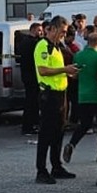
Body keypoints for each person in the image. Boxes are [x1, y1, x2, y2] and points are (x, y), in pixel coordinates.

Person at [34, 16, 78, 184]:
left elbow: (56, 70)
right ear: (52, 29)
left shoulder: (58, 47)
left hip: (61, 94)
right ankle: (41, 170)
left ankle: (56, 166)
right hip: (49, 95)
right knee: (46, 133)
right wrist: (64, 69)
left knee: (59, 132)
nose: (63, 35)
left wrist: (68, 73)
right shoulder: (43, 46)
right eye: (62, 31)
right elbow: (44, 70)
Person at [63, 32, 97, 179]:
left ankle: (72, 144)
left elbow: (75, 75)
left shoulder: (78, 55)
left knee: (84, 124)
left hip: (83, 95)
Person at [18, 22, 43, 137]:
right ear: (33, 30)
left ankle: (31, 124)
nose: (41, 32)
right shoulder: (33, 43)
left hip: (27, 75)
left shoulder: (23, 42)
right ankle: (29, 126)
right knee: (31, 102)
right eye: (39, 30)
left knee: (31, 101)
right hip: (32, 76)